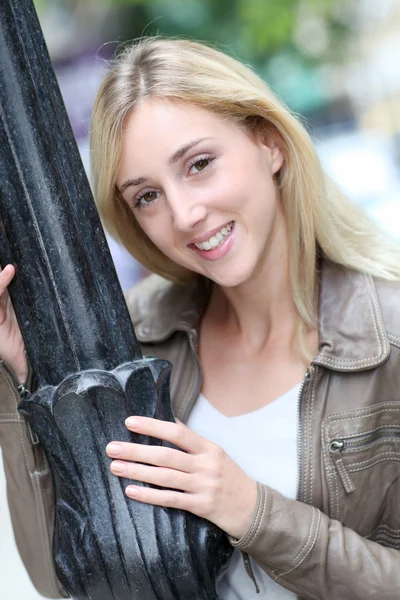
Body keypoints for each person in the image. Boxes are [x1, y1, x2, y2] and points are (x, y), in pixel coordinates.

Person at [1, 37, 400, 600]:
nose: (184, 215)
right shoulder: (137, 338)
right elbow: (58, 578)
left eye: (199, 165)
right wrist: (20, 378)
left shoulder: (388, 340)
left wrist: (253, 511)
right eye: (146, 197)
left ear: (269, 144)